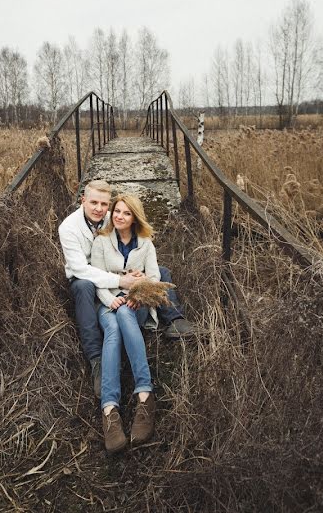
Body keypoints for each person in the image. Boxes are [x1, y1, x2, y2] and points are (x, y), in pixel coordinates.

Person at [58, 181, 195, 398]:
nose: (98, 208)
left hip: (116, 272)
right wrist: (121, 282)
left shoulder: (111, 216)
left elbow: (128, 241)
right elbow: (80, 268)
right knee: (85, 287)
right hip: (85, 276)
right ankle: (96, 359)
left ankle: (174, 320)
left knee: (161, 271)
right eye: (93, 202)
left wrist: (136, 279)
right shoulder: (68, 228)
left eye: (104, 204)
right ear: (83, 200)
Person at [90, 193, 159, 453]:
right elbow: (97, 279)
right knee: (113, 330)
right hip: (108, 302)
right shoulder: (102, 242)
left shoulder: (146, 244)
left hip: (136, 304)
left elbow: (155, 277)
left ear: (134, 218)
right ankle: (112, 410)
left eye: (126, 213)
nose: (119, 216)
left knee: (125, 314)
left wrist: (140, 286)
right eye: (117, 211)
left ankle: (140, 397)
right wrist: (110, 300)